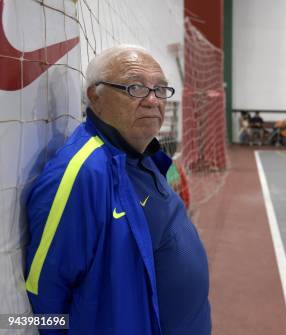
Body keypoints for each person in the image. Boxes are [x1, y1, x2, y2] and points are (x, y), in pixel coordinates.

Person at [24, 45, 211, 334]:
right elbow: (44, 294)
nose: (153, 100)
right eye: (135, 87)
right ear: (95, 97)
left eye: (160, 89)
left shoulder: (148, 154)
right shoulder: (82, 175)